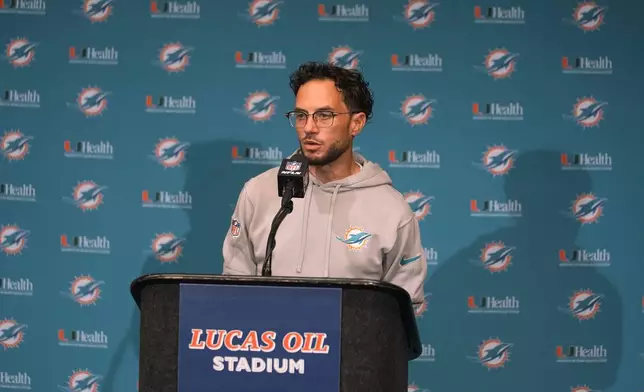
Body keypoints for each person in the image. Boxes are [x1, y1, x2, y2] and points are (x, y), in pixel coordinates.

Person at [222, 61, 427, 307]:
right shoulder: (259, 192)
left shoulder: (393, 212)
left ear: (356, 123)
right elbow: (233, 288)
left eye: (324, 115)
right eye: (301, 115)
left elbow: (401, 312)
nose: (309, 128)